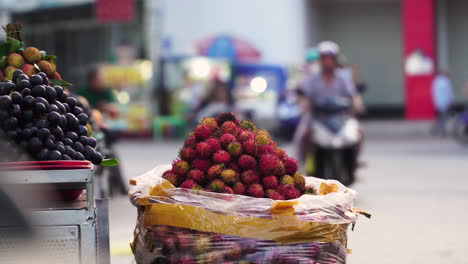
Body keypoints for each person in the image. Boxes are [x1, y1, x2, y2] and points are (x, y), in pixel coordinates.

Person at [431, 70, 454, 137]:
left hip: (439, 102)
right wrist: (451, 100)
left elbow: (433, 92)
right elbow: (449, 92)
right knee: (443, 117)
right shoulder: (446, 81)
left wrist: (435, 101)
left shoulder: (436, 81)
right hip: (445, 102)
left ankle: (437, 129)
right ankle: (441, 131)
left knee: (441, 116)